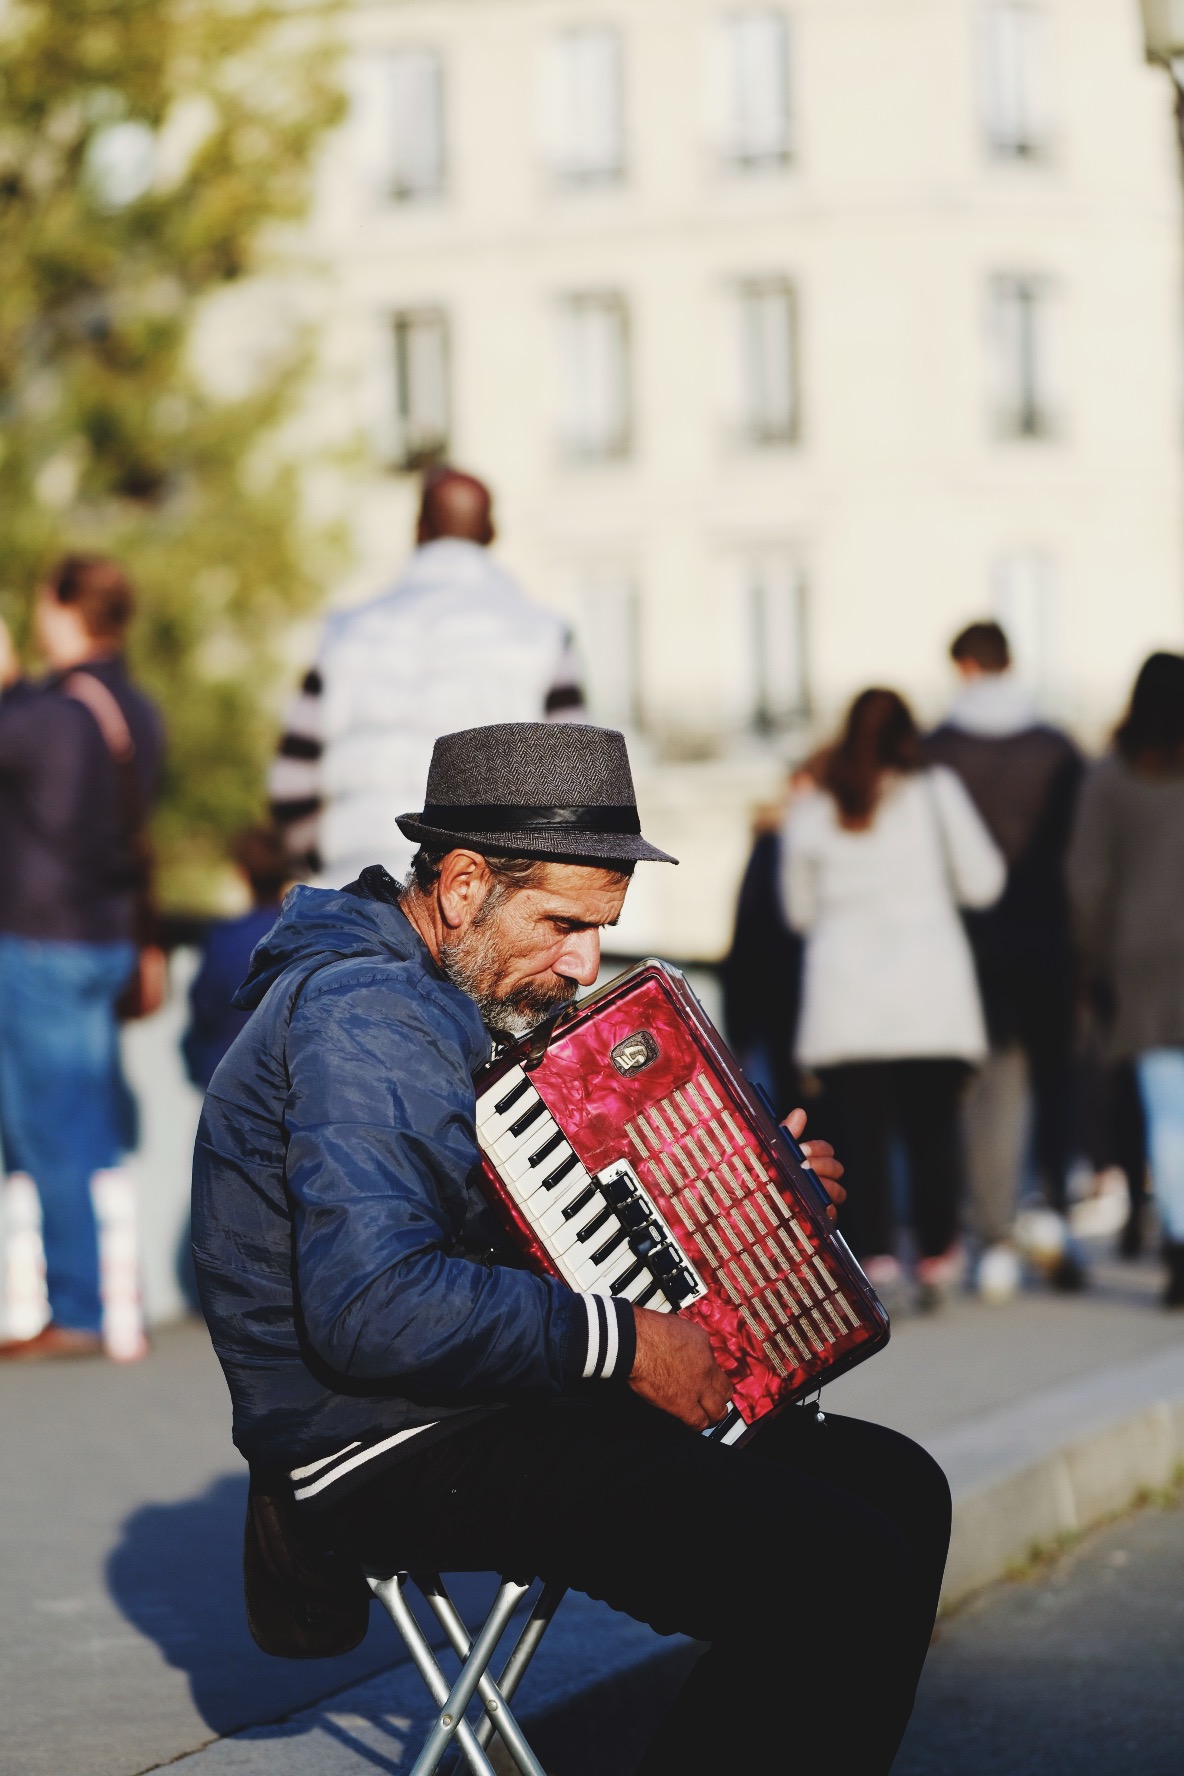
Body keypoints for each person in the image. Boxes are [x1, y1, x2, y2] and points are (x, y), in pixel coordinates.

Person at [192, 721, 951, 1776]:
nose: (584, 962)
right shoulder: (365, 1014)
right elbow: (371, 1301)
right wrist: (622, 1341)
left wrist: (749, 1193)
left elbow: (504, 1215)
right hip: (382, 1439)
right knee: (840, 1566)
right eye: (559, 923)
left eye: (601, 929)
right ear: (462, 887)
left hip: (467, 1396)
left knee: (898, 1487)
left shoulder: (435, 988)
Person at [782, 689, 1004, 1307]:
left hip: (846, 1001)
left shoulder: (812, 805)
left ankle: (875, 1257)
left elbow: (798, 911)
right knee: (932, 1130)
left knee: (860, 1137)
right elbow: (984, 881)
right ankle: (936, 1254)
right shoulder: (936, 793)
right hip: (929, 996)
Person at [268, 465, 585, 884]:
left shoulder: (345, 631)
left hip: (356, 885)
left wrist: (325, 866)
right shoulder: (542, 633)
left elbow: (290, 784)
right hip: (480, 899)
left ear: (418, 529)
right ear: (491, 532)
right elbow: (577, 792)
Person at [0, 556, 163, 1361]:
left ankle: (77, 1308)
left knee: (47, 1127)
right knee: (93, 1123)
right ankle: (116, 1301)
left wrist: (5, 682)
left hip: (42, 940)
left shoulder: (47, 713)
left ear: (63, 608)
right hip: (107, 941)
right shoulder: (136, 707)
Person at [926, 621, 1085, 1298]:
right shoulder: (1060, 750)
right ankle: (1051, 1212)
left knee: (983, 1091)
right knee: (1053, 1081)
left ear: (964, 666)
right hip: (1049, 939)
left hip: (970, 945)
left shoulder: (936, 753)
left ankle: (992, 1233)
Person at [1067, 653, 1184, 1308]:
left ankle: (1178, 1240)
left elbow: (1086, 881)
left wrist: (1093, 955)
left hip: (1140, 962)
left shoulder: (1111, 777)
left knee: (1169, 1113)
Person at [181, 826, 289, 1093]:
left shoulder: (224, 939)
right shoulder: (312, 935)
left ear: (241, 873)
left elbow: (204, 1009)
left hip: (232, 1083)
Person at [720, 798, 804, 1118]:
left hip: (776, 1006)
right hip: (794, 1005)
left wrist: (738, 1027)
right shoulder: (782, 851)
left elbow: (745, 942)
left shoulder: (767, 852)